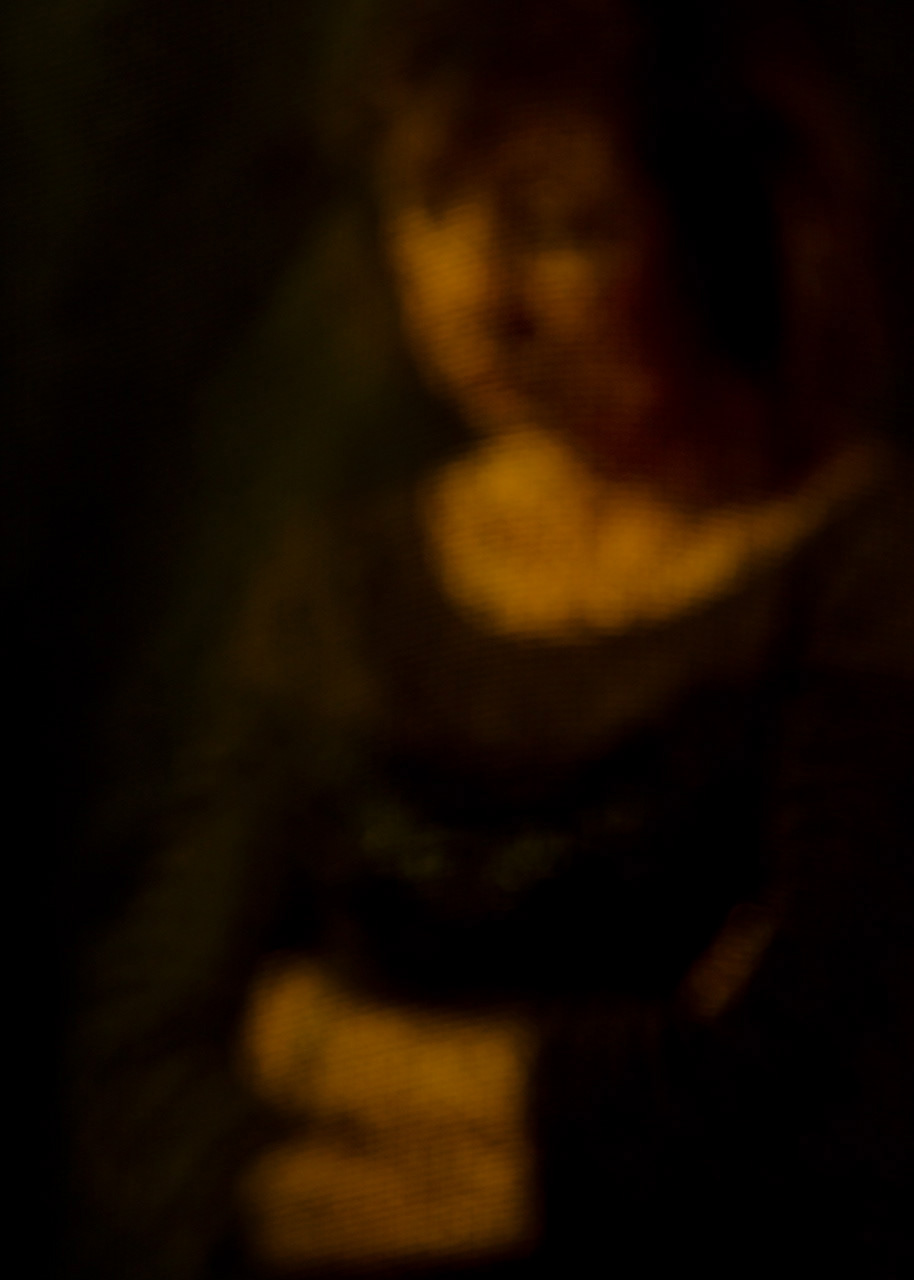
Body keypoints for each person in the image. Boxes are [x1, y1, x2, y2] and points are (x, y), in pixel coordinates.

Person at [67, 3, 914, 1277]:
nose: (477, 296)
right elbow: (147, 1043)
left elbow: (825, 1091)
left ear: (713, 231)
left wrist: (321, 1049)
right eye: (430, 209)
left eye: (563, 227)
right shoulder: (347, 581)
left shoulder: (855, 563)